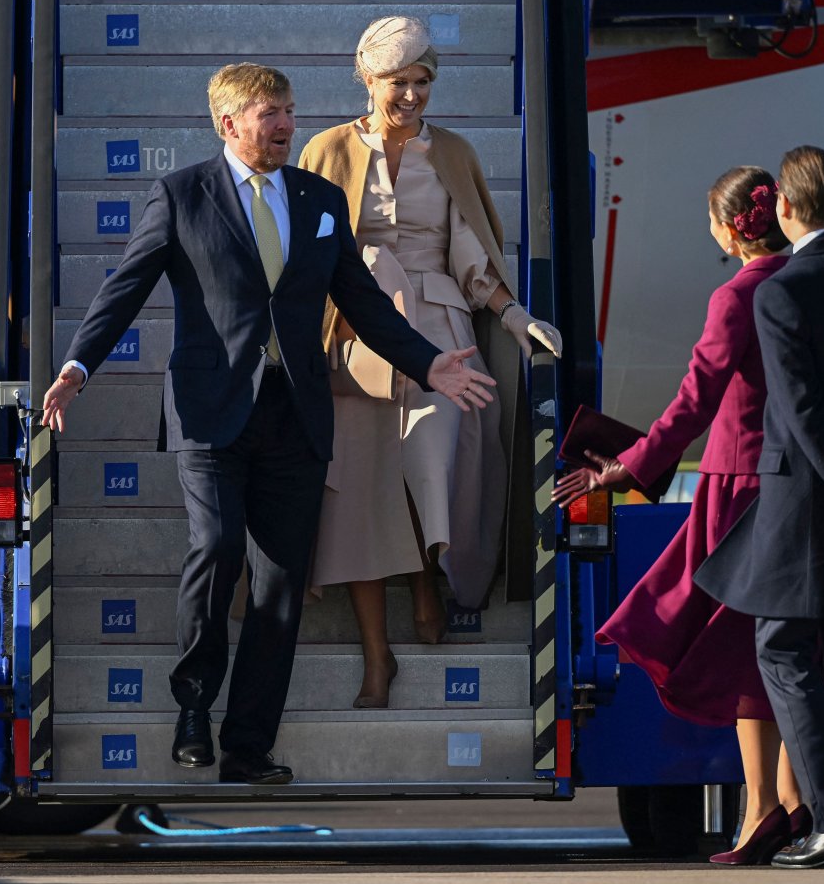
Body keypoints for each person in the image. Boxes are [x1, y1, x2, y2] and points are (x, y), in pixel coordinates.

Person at [40, 63, 495, 784]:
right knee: (218, 548)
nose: (286, 125)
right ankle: (193, 703)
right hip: (211, 412)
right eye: (269, 114)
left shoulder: (319, 198)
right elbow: (124, 288)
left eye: (288, 110)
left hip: (297, 413)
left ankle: (247, 745)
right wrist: (77, 368)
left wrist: (430, 361)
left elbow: (366, 302)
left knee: (280, 586)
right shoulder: (182, 194)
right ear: (229, 123)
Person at [298, 16, 560, 707]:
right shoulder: (325, 149)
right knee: (356, 490)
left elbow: (474, 258)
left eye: (423, 82)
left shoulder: (454, 153)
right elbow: (299, 264)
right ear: (366, 78)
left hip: (443, 331)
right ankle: (376, 656)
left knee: (429, 464)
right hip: (353, 337)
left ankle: (426, 584)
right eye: (398, 82)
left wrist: (516, 316)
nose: (412, 95)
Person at [553, 166, 805, 866]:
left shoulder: (739, 293)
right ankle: (788, 795)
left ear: (728, 228)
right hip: (789, 484)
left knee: (732, 643)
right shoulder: (811, 280)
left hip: (737, 484)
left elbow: (696, 397)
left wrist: (626, 465)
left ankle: (762, 807)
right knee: (780, 647)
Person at [694, 146, 824, 870]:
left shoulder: (777, 290)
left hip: (801, 495)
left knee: (781, 648)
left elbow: (798, 409)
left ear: (788, 210)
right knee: (819, 654)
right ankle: (820, 808)